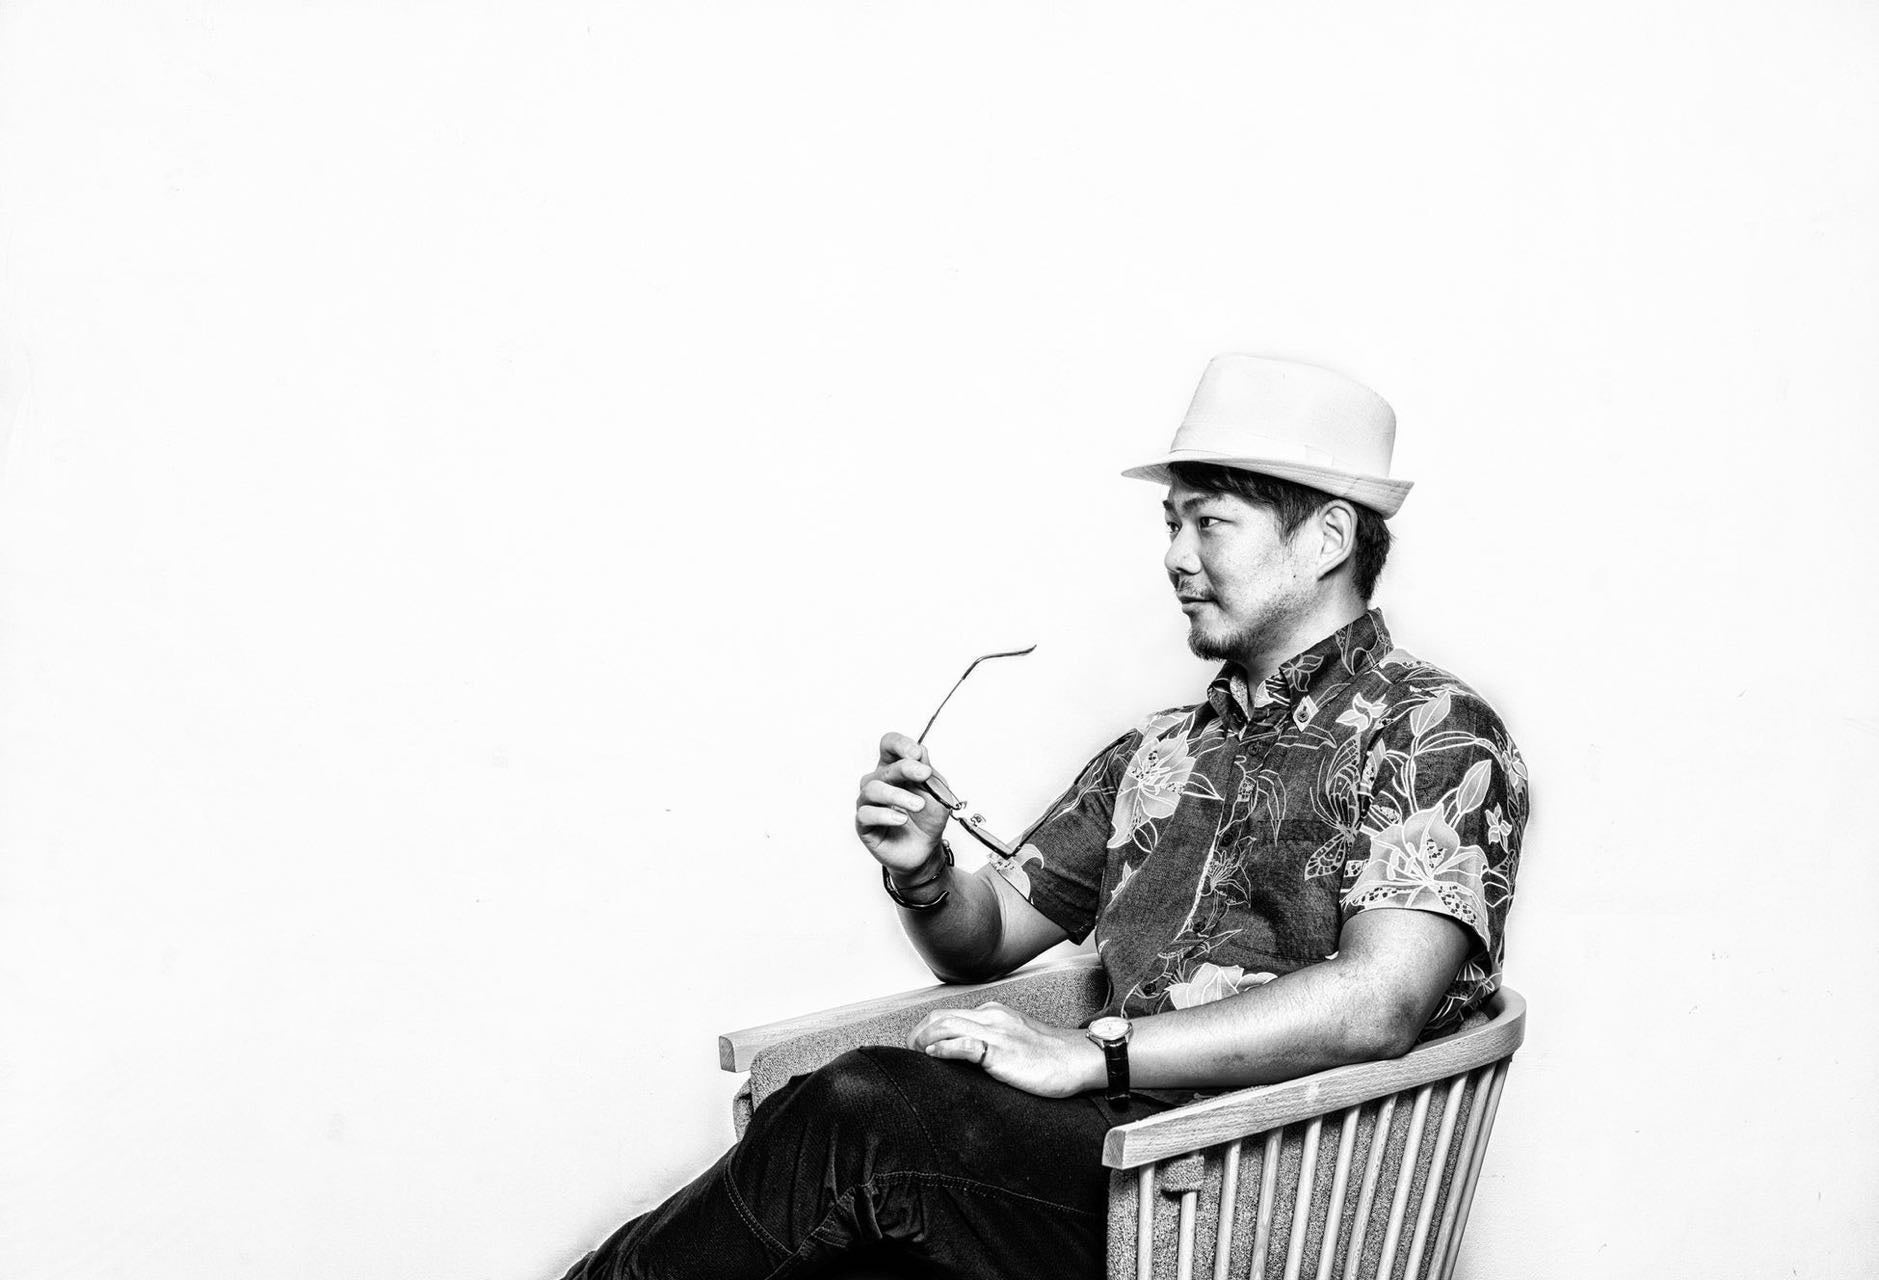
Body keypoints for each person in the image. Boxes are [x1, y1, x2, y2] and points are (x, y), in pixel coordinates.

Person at [557, 354, 1528, 1280]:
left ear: (1325, 538)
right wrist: (923, 873)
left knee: (863, 1110)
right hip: (1107, 1164)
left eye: (1209, 523)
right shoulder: (1156, 750)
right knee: (843, 1238)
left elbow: (1376, 1001)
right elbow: (983, 940)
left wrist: (1090, 1052)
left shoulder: (1431, 732)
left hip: (1255, 1199)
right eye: (1170, 524)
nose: (1174, 558)